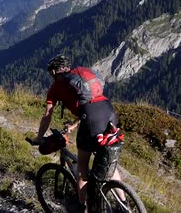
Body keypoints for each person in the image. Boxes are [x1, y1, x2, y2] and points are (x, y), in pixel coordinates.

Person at [31, 55, 123, 210]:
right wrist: (74, 125)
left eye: (50, 72)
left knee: (82, 169)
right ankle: (124, 204)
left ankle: (83, 207)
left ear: (54, 71)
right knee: (109, 163)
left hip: (91, 119)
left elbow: (48, 116)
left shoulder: (56, 87)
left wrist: (39, 138)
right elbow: (90, 103)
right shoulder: (82, 73)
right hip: (109, 113)